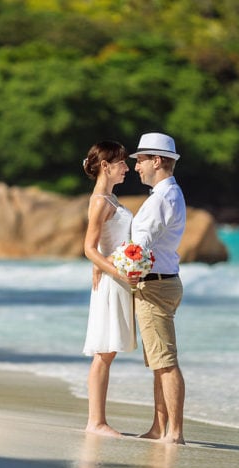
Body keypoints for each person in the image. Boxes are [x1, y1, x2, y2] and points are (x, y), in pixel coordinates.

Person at [129, 132, 187, 444]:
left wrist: (114, 270)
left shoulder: (160, 199)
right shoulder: (171, 194)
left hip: (155, 285)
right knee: (158, 361)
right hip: (163, 282)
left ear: (157, 161)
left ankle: (174, 433)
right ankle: (158, 427)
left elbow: (138, 249)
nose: (136, 167)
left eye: (140, 160)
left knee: (164, 362)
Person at [81, 140, 139, 438]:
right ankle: (96, 422)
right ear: (106, 166)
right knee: (104, 351)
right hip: (113, 280)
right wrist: (118, 272)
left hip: (116, 278)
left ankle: (97, 420)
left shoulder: (109, 198)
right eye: (121, 163)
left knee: (108, 350)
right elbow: (89, 248)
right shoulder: (101, 200)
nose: (126, 168)